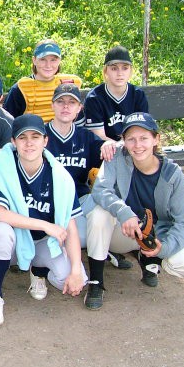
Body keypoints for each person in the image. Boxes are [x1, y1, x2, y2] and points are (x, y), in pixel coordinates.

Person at [84, 112, 184, 310]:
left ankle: (150, 257)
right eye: (131, 139)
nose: (137, 145)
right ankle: (96, 282)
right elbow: (100, 190)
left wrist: (162, 248)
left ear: (156, 139)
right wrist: (125, 213)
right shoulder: (116, 156)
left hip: (156, 234)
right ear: (123, 141)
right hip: (124, 232)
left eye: (144, 138)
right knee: (99, 213)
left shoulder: (172, 173)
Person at [0, 114, 87, 326]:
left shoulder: (60, 176)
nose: (29, 143)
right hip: (12, 243)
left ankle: (37, 271)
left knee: (75, 280)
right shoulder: (1, 166)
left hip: (42, 243)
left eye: (35, 136)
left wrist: (75, 270)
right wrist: (46, 225)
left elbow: (70, 228)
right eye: (22, 137)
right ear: (13, 142)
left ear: (45, 141)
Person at [45, 84, 117, 249]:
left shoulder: (86, 137)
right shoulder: (39, 135)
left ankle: (103, 258)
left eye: (72, 102)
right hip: (47, 201)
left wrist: (111, 144)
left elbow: (113, 155)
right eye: (60, 101)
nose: (65, 106)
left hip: (80, 198)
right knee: (73, 239)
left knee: (94, 228)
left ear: (79, 108)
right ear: (52, 105)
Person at [3, 39, 82, 123]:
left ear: (59, 61)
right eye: (43, 59)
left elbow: (78, 121)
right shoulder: (21, 89)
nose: (48, 65)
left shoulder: (69, 84)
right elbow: (7, 123)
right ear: (34, 60)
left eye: (53, 60)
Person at [84, 45, 149, 142]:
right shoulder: (95, 97)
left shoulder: (138, 95)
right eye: (114, 68)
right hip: (105, 149)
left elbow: (142, 130)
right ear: (106, 71)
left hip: (133, 147)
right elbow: (98, 136)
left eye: (125, 68)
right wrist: (121, 149)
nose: (120, 73)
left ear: (131, 70)